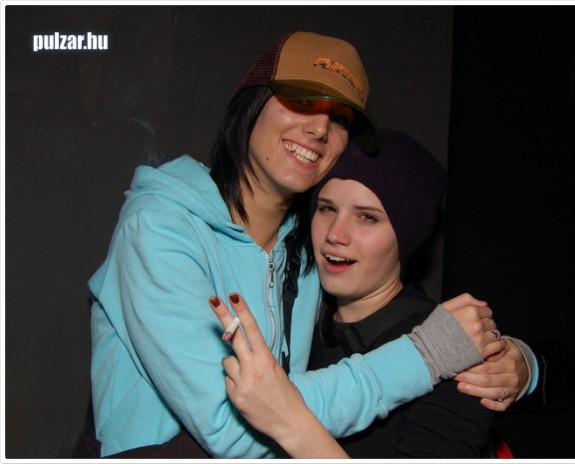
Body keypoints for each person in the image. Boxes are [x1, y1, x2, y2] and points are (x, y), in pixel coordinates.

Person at [88, 31, 536, 458]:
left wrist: (522, 363)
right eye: (302, 101)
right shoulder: (160, 227)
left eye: (339, 119)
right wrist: (425, 355)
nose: (320, 128)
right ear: (252, 103)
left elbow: (381, 312)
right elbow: (228, 428)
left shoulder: (307, 253)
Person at [211, 129, 518, 458]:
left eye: (367, 217)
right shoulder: (296, 320)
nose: (335, 234)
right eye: (327, 209)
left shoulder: (452, 349)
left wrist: (291, 424)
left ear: (406, 236)